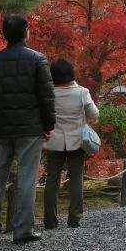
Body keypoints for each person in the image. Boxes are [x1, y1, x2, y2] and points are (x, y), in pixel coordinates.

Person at [0, 14, 55, 244]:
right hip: (29, 129)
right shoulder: (37, 60)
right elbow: (46, 96)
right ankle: (22, 230)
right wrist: (48, 124)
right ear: (26, 32)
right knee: (26, 178)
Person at [43, 59, 99, 229]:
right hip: (77, 142)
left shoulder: (49, 93)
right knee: (75, 179)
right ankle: (74, 218)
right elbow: (94, 113)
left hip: (54, 141)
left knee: (52, 180)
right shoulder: (82, 92)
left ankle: (50, 220)